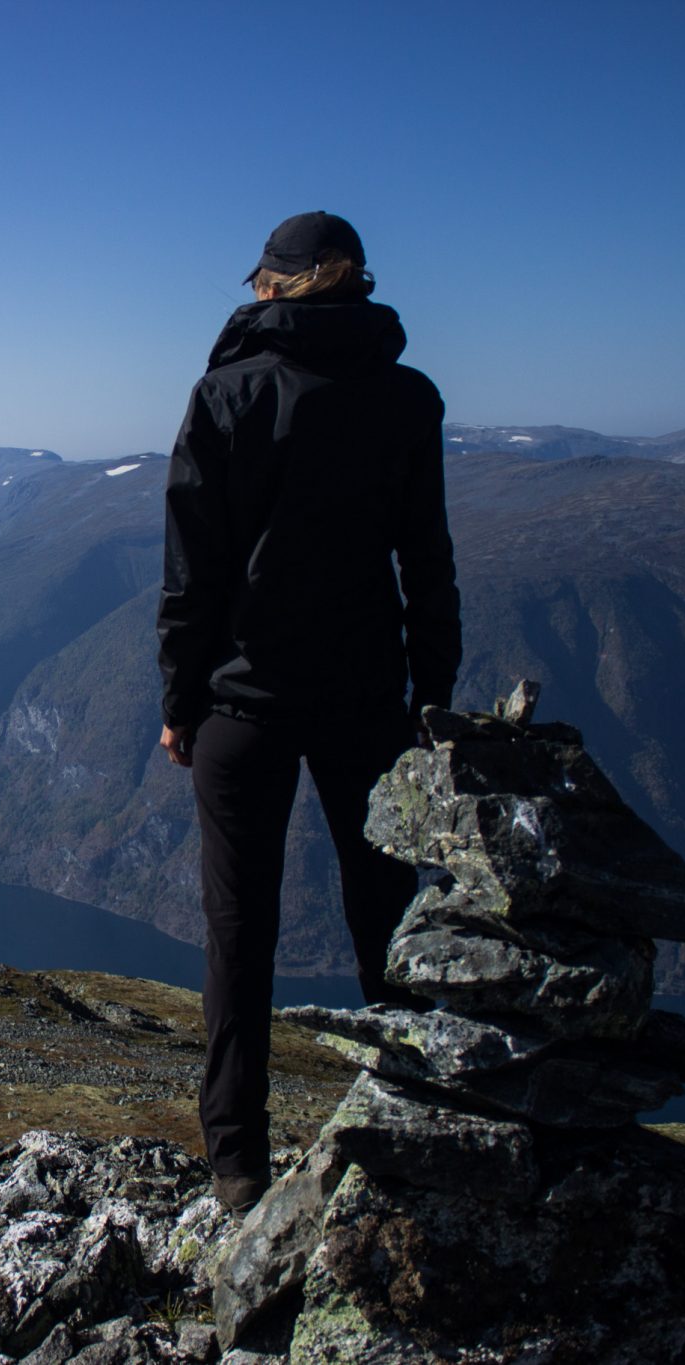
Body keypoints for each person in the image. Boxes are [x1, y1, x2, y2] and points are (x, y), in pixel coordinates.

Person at [154, 210, 461, 1212]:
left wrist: (177, 698)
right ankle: (418, 1116)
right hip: (367, 700)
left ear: (280, 286)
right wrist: (435, 695)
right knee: (387, 915)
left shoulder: (226, 394)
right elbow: (425, 559)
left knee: (238, 936)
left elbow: (190, 572)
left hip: (241, 706)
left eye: (256, 281)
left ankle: (237, 1161)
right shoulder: (407, 397)